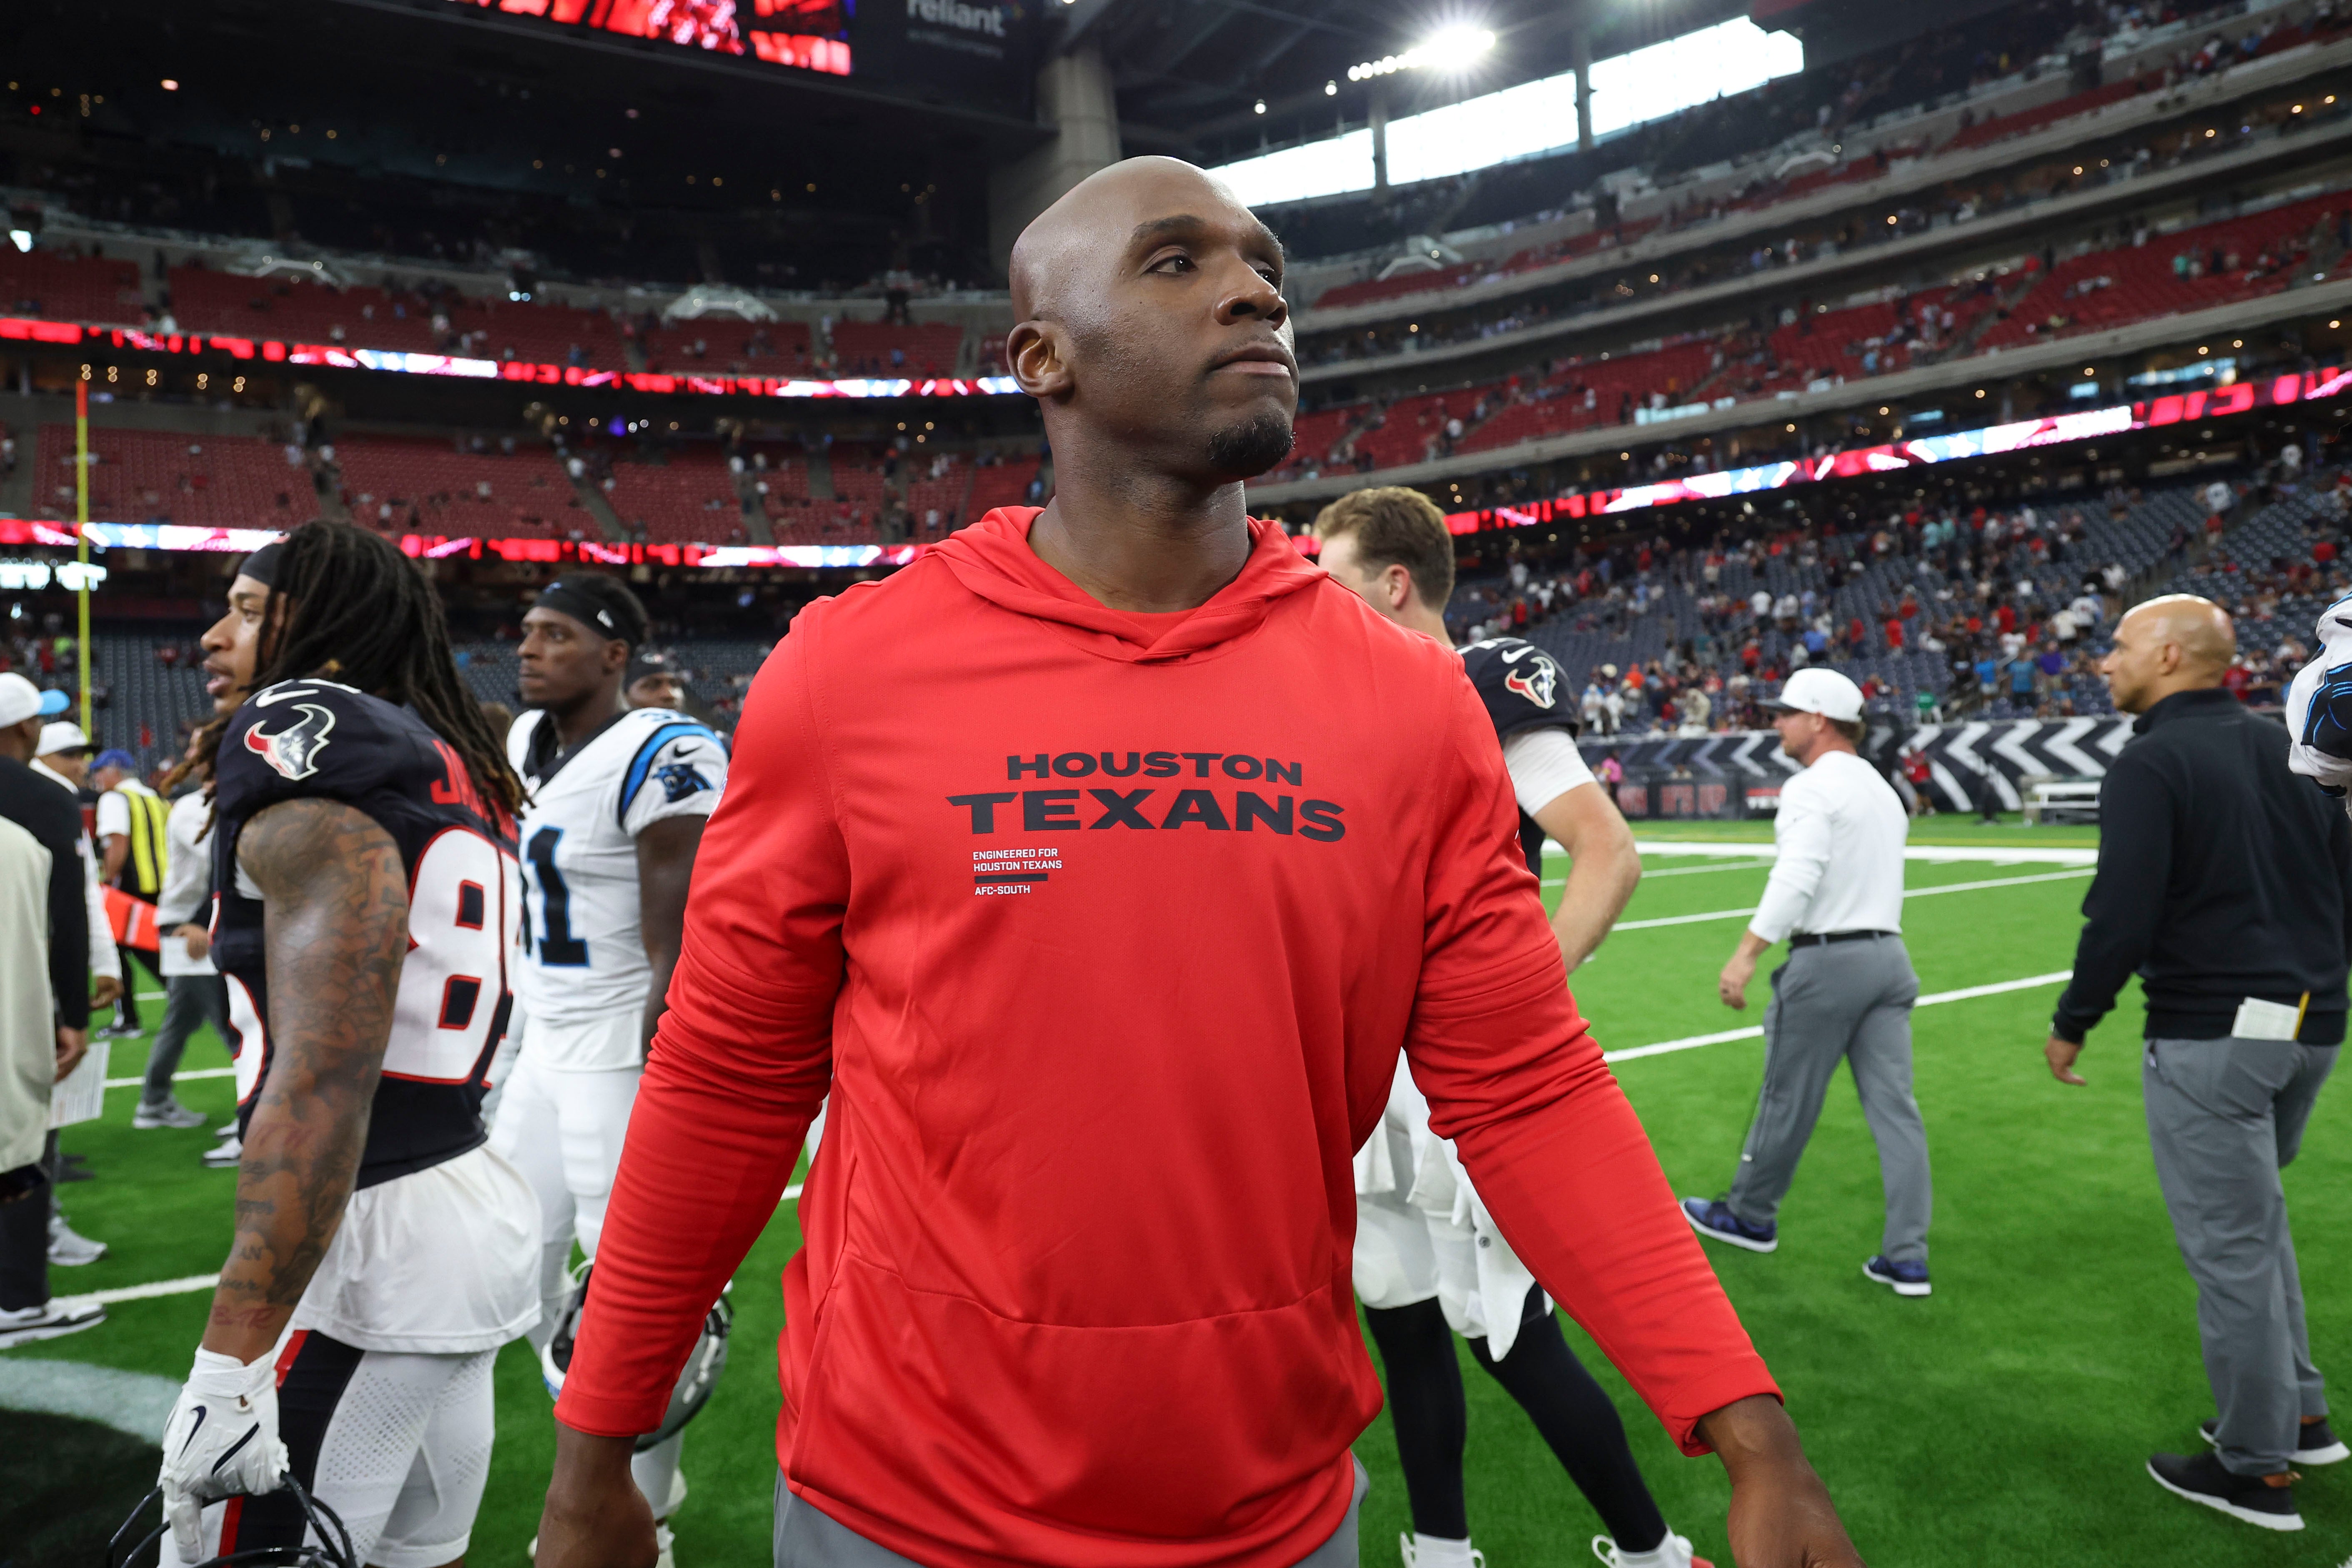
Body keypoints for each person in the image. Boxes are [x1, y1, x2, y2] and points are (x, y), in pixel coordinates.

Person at [535, 157, 1860, 1568]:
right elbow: (729, 1078)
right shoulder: (847, 674)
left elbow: (1525, 1083)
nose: (1253, 292)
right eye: (1178, 263)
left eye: (1264, 267)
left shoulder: (1412, 705)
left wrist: (1744, 1425)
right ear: (1041, 357)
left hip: (1273, 1513)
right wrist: (594, 1452)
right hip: (896, 1506)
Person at [1315, 487, 1700, 1568]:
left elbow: (1606, 853)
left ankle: (1650, 1550)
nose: (1309, 599)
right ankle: (1439, 1548)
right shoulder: (1337, 705)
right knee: (1399, 1320)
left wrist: (1518, 1000)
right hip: (1363, 1081)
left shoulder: (1477, 683)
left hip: (1450, 1076)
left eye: (1328, 576)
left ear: (1393, 583)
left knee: (1507, 1334)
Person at [158, 524, 541, 1566]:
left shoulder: (302, 726)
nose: (210, 636)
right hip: (458, 1193)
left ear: (323, 625)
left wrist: (233, 1362)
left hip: (369, 1237)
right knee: (417, 1554)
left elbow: (325, 1071)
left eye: (245, 608)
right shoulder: (442, 750)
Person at [2052, 594, 2345, 1532]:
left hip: (2212, 1033)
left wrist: (2075, 1017)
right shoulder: (2283, 746)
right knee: (2255, 1228)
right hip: (2309, 1027)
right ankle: (2299, 1413)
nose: (2105, 661)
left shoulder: (2154, 760)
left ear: (2170, 655)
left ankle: (2254, 1469)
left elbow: (2121, 909)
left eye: (2121, 645)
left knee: (2227, 1248)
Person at [493, 573, 727, 1559]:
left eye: (554, 634)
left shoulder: (667, 749)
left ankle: (648, 1516)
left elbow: (680, 934)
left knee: (636, 1297)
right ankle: (586, 1458)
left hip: (617, 1048)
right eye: (525, 632)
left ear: (614, 655)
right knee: (514, 1258)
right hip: (539, 1038)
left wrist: (665, 1067)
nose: (529, 649)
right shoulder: (520, 742)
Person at [1683, 666, 1933, 1298]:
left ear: (1817, 719)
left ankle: (1748, 1215)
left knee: (1785, 1098)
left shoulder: (1812, 787)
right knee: (1897, 1113)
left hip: (1828, 960)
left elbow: (1797, 876)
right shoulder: (1879, 788)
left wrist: (1745, 953)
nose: (1777, 722)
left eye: (1786, 712)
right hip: (1888, 954)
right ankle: (1906, 1255)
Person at [0, 672, 103, 1348]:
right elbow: (67, 919)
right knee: (18, 1134)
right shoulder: (44, 800)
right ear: (25, 729)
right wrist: (72, 1011)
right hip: (14, 993)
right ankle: (18, 1297)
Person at [29, 720, 120, 1265]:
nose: (78, 764)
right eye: (68, 754)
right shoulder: (49, 803)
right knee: (32, 1108)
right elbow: (80, 898)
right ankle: (39, 1227)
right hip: (31, 973)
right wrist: (101, 963)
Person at [139, 734, 230, 1137]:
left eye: (197, 748)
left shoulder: (206, 802)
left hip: (192, 921)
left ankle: (153, 1101)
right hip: (188, 926)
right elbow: (222, 857)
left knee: (182, 1019)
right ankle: (255, 1116)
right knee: (231, 1021)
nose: (190, 755)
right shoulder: (194, 807)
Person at [92, 745, 168, 1035]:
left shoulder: (114, 799)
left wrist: (109, 881)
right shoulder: (153, 796)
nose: (97, 777)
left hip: (129, 889)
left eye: (100, 771)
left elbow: (118, 842)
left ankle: (128, 1020)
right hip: (159, 886)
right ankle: (192, 1001)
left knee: (117, 954)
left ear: (114, 771)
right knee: (153, 950)